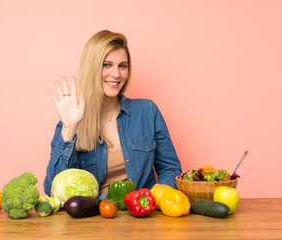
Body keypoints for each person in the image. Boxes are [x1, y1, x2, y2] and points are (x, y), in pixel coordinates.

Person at [43, 30, 181, 197]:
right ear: (91, 68)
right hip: (95, 217)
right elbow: (52, 189)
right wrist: (69, 129)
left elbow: (170, 168)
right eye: (106, 65)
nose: (116, 74)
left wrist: (155, 198)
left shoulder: (147, 111)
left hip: (141, 214)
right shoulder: (71, 122)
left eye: (122, 66)